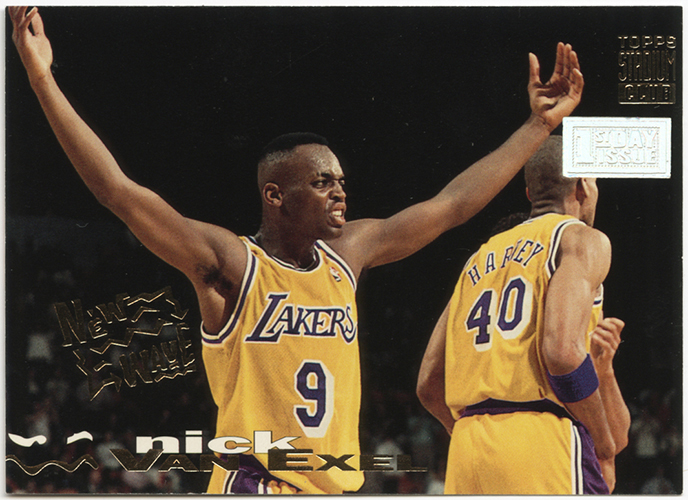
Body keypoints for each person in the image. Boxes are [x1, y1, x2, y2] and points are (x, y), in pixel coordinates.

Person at [10, 6, 584, 494]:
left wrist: (537, 126)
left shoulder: (348, 254)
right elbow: (117, 191)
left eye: (340, 181)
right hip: (254, 483)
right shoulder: (233, 265)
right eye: (322, 182)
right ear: (275, 195)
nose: (340, 191)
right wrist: (41, 78)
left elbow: (452, 204)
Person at [417, 135, 631, 494]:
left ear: (530, 194)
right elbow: (562, 354)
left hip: (468, 448)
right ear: (582, 185)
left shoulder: (477, 259)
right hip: (542, 442)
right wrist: (603, 445)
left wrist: (470, 430)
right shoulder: (580, 239)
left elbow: (428, 383)